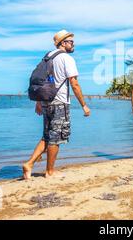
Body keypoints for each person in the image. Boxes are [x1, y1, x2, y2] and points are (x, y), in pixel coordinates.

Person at [23, 30, 90, 179]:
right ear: (63, 43)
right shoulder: (66, 58)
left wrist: (39, 102)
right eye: (71, 42)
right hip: (59, 103)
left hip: (46, 101)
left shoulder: (48, 56)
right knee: (56, 138)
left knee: (47, 136)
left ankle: (29, 164)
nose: (74, 44)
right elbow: (74, 83)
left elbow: (42, 80)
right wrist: (84, 105)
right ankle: (49, 172)